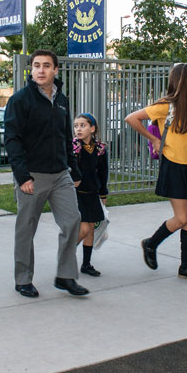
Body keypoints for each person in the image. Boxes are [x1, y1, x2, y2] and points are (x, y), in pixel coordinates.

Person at [4, 49, 88, 297]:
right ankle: (23, 279)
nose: (40, 70)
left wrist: (73, 169)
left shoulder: (62, 99)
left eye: (46, 66)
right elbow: (12, 140)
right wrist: (23, 176)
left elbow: (65, 137)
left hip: (60, 173)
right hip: (33, 175)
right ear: (31, 70)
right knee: (26, 228)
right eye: (36, 65)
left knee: (72, 221)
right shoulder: (20, 100)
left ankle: (65, 276)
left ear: (55, 70)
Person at [125, 63, 187, 282]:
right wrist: (153, 138)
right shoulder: (167, 104)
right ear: (184, 80)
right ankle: (151, 243)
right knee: (181, 218)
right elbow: (131, 118)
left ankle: (186, 266)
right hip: (174, 165)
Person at [72, 113, 108, 277]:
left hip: (92, 193)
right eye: (76, 126)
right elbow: (68, 166)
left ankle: (86, 264)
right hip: (77, 193)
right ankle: (66, 254)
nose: (78, 129)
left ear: (92, 128)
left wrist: (103, 193)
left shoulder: (100, 149)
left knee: (91, 228)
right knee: (84, 228)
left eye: (83, 125)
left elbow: (103, 173)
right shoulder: (73, 146)